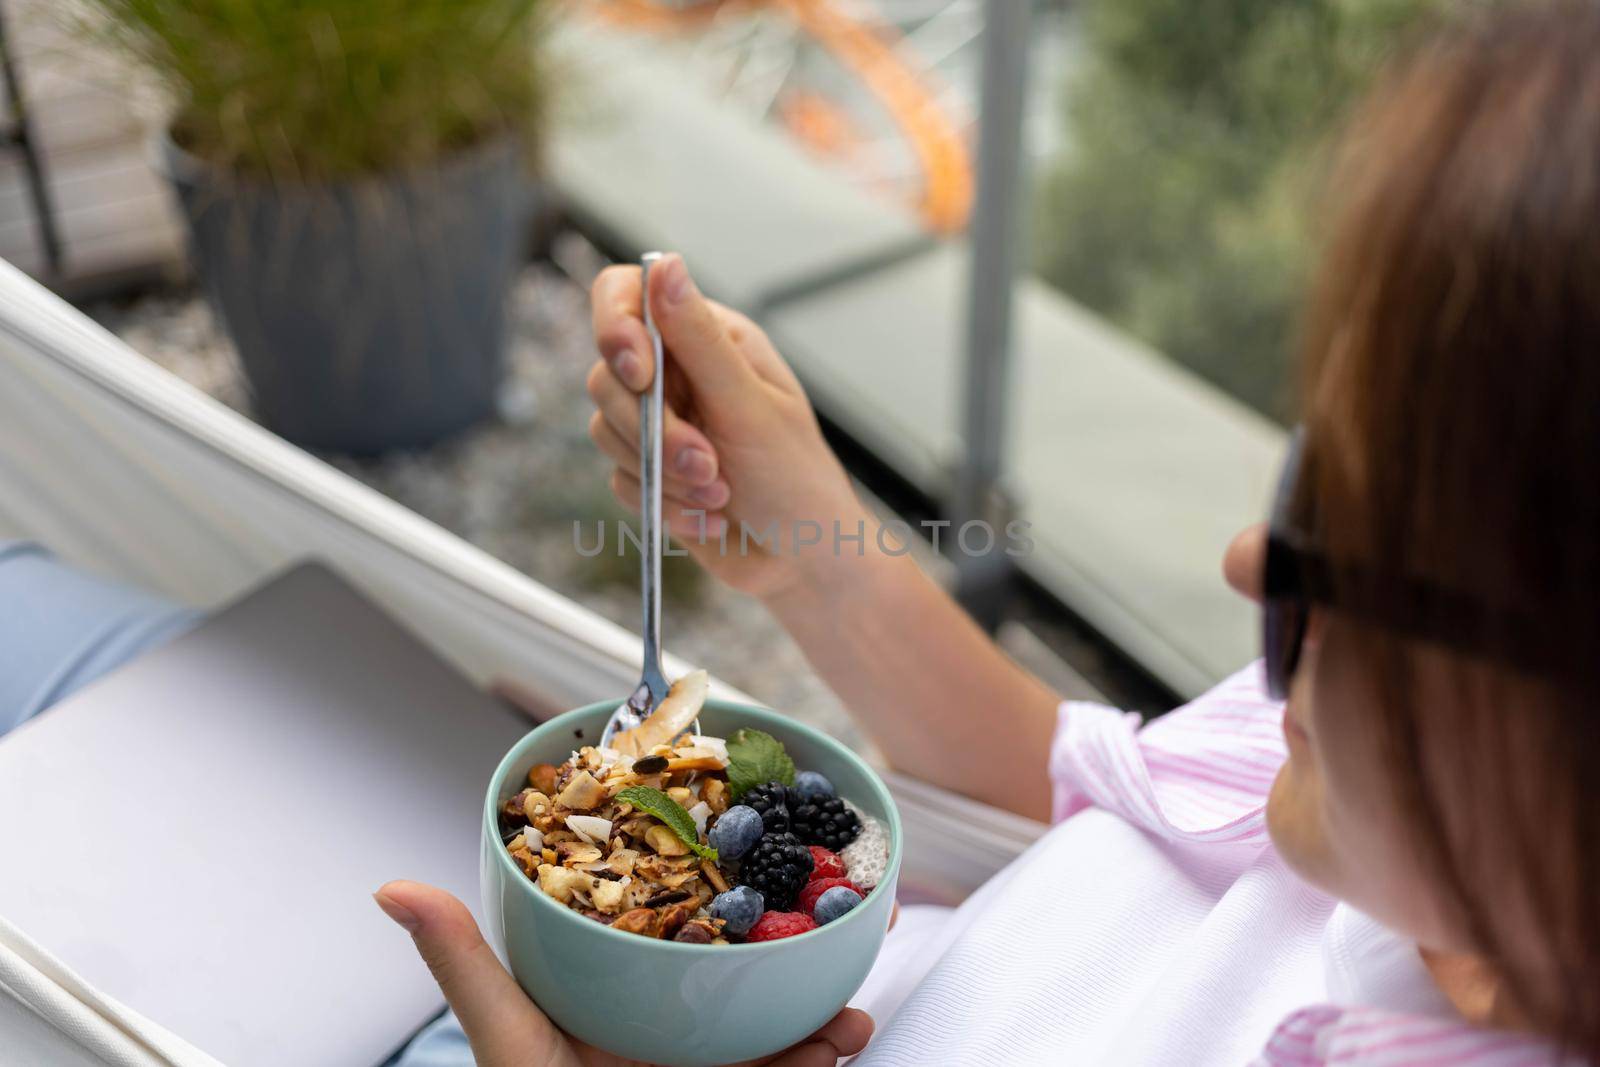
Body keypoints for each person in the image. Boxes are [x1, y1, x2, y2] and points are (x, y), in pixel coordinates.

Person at [377, 3, 1600, 1063]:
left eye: (1348, 548)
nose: (1247, 564)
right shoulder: (1377, 804)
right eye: (1310, 478)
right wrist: (815, 543)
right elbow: (1094, 801)